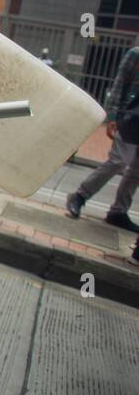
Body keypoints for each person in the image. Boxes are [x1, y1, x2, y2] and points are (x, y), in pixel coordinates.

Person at [66, 44, 139, 264]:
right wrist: (114, 116)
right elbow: (119, 84)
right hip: (131, 118)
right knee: (119, 160)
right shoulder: (135, 54)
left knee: (136, 171)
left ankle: (118, 211)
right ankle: (80, 195)